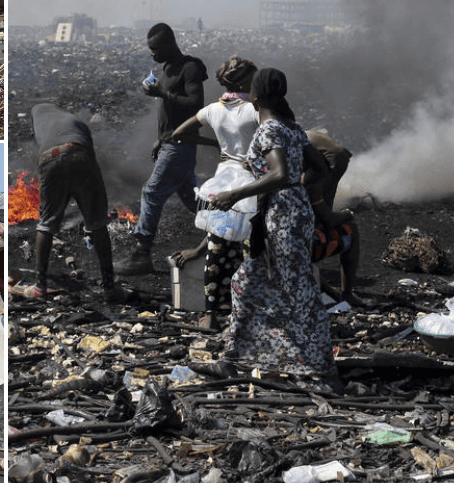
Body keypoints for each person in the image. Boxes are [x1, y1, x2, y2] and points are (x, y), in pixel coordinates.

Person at [208, 68, 343, 393]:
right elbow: (320, 167)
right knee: (246, 283)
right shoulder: (290, 128)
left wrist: (235, 194)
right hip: (289, 212)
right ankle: (232, 359)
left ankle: (322, 370)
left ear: (254, 96)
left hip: (282, 217)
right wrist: (298, 190)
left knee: (298, 289)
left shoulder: (269, 130)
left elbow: (280, 173)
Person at [170, 57, 259, 329]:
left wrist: (214, 145)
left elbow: (178, 133)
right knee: (250, 251)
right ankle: (248, 315)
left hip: (221, 182)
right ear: (245, 82)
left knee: (216, 250)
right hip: (250, 183)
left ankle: (210, 316)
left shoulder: (211, 110)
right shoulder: (255, 110)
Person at [117, 23, 208, 275]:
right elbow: (172, 113)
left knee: (152, 192)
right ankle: (234, 234)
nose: (153, 55)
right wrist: (161, 138)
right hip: (173, 142)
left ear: (169, 44)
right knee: (194, 201)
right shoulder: (169, 68)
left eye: (156, 49)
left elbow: (196, 104)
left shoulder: (190, 67)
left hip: (181, 145)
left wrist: (163, 93)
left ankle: (141, 254)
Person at [28, 102, 124, 303]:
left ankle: (40, 287)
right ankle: (109, 289)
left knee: (46, 224)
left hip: (49, 158)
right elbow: (91, 154)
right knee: (98, 224)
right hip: (81, 154)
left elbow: (42, 149)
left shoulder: (38, 122)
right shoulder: (74, 120)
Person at [305, 129, 361, 303]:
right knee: (350, 230)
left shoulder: (274, 171)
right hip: (295, 252)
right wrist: (345, 215)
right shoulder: (310, 186)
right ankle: (346, 294)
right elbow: (329, 219)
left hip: (259, 247)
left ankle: (326, 287)